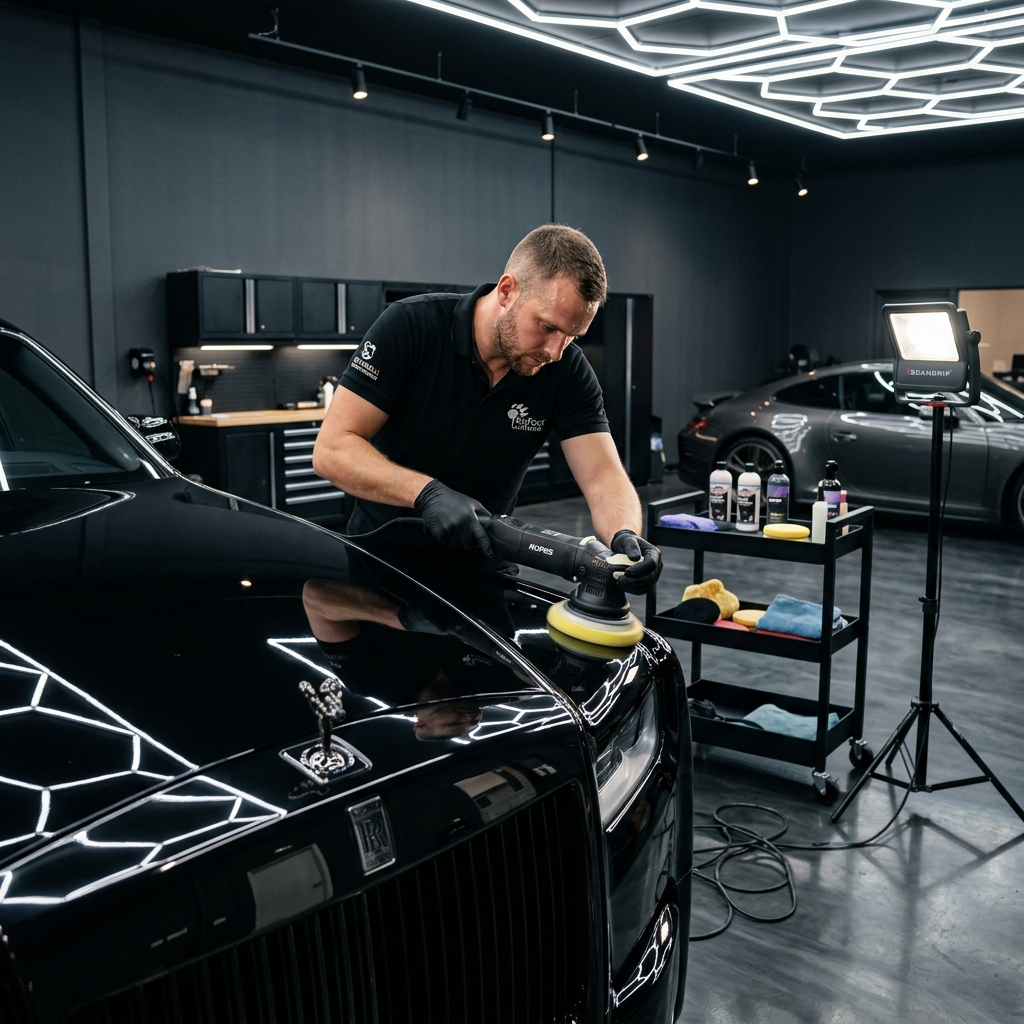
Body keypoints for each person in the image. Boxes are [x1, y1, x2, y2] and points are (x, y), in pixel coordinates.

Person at [312, 224, 661, 593]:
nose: (555, 351)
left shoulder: (567, 371)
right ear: (508, 290)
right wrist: (426, 492)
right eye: (546, 327)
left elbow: (602, 476)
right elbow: (332, 449)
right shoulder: (410, 326)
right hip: (379, 560)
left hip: (483, 569)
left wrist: (625, 533)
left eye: (571, 336)